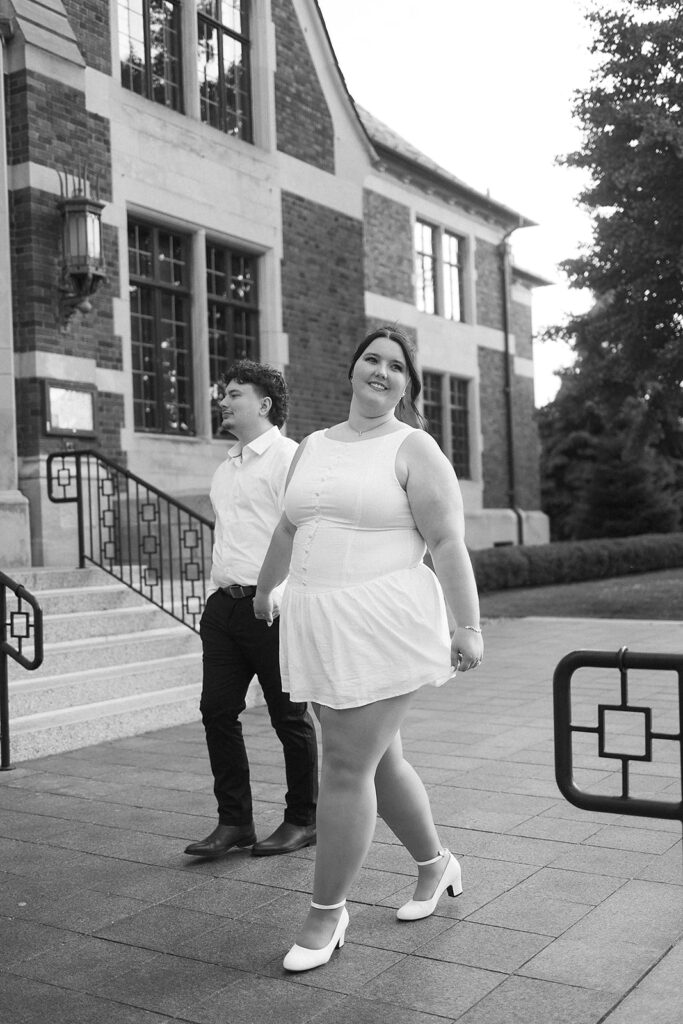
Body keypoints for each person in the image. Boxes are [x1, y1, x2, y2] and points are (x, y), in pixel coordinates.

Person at [253, 326, 483, 972]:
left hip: (383, 624)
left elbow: (447, 543)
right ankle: (436, 865)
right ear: (351, 368)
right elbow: (289, 526)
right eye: (372, 359)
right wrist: (266, 588)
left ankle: (326, 914)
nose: (381, 371)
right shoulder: (311, 446)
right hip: (318, 622)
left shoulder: (414, 448)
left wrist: (467, 626)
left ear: (408, 385)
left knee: (344, 767)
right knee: (380, 762)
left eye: (396, 366)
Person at [184, 360, 318, 860]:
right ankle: (235, 821)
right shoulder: (226, 469)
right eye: (224, 394)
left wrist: (275, 595)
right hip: (224, 608)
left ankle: (303, 819)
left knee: (289, 717)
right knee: (217, 711)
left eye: (234, 394)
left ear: (263, 404)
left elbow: (304, 536)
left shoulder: (290, 458)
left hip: (273, 609)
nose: (223, 401)